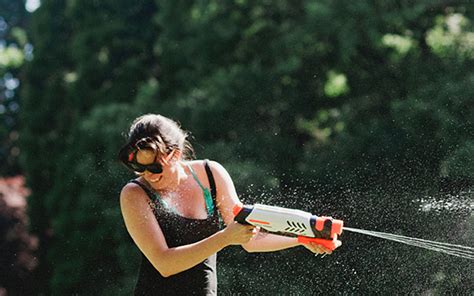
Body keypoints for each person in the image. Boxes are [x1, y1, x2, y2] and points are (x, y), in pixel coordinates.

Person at [118, 114, 340, 295]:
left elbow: (249, 239)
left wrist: (301, 237)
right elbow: (165, 263)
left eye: (156, 168)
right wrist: (225, 238)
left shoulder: (211, 174)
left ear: (175, 155)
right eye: (139, 168)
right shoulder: (134, 194)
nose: (148, 175)